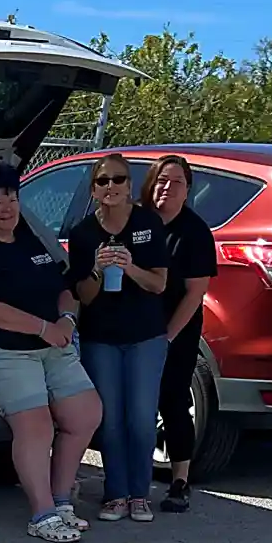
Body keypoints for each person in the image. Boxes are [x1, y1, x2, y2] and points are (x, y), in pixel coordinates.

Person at [0, 163, 102, 543]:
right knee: (36, 425)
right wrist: (43, 328)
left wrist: (67, 318)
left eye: (13, 199)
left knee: (85, 413)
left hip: (50, 343)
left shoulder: (33, 243)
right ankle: (42, 512)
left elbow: (64, 288)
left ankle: (63, 500)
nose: (7, 207)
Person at [66, 153, 170, 523]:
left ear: (130, 186)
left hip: (145, 336)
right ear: (94, 190)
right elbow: (83, 296)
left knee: (141, 418)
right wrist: (97, 268)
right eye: (103, 181)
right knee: (109, 418)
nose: (111, 187)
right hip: (101, 337)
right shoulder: (82, 234)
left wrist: (129, 266)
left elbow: (159, 283)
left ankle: (140, 494)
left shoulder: (148, 223)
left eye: (119, 180)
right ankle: (116, 493)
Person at [144, 155, 217, 513]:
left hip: (176, 330)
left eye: (176, 182)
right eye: (161, 180)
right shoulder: (138, 222)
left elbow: (195, 293)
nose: (167, 188)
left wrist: (168, 336)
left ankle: (180, 481)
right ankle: (129, 482)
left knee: (173, 401)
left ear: (188, 190)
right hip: (132, 329)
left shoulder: (194, 233)